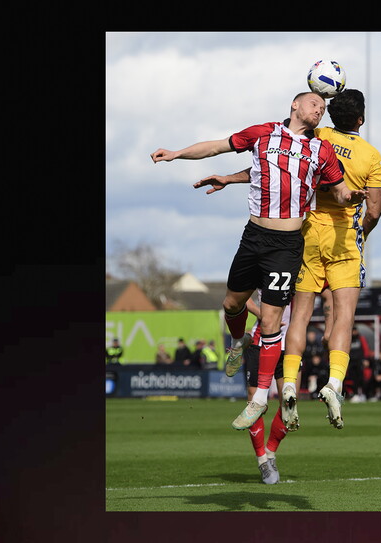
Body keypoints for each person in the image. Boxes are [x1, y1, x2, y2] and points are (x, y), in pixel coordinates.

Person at [152, 91, 365, 430]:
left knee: (270, 322)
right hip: (254, 236)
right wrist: (178, 154)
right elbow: (218, 146)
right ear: (294, 105)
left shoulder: (320, 149)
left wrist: (347, 195)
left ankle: (259, 398)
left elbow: (337, 188)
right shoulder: (263, 134)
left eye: (324, 108)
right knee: (231, 304)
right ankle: (237, 342)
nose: (320, 109)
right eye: (314, 104)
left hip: (288, 243)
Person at [203, 89, 381, 431]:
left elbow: (273, 165)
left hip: (306, 232)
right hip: (345, 238)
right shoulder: (370, 155)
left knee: (298, 316)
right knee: (341, 318)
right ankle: (334, 384)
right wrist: (361, 235)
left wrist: (230, 177)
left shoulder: (321, 136)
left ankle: (287, 384)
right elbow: (374, 210)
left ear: (330, 115)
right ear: (361, 119)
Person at [241, 293, 299, 484]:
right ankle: (262, 460)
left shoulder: (305, 269)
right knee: (255, 401)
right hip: (260, 342)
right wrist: (261, 314)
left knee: (289, 405)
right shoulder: (264, 264)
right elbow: (238, 295)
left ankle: (270, 452)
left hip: (291, 345)